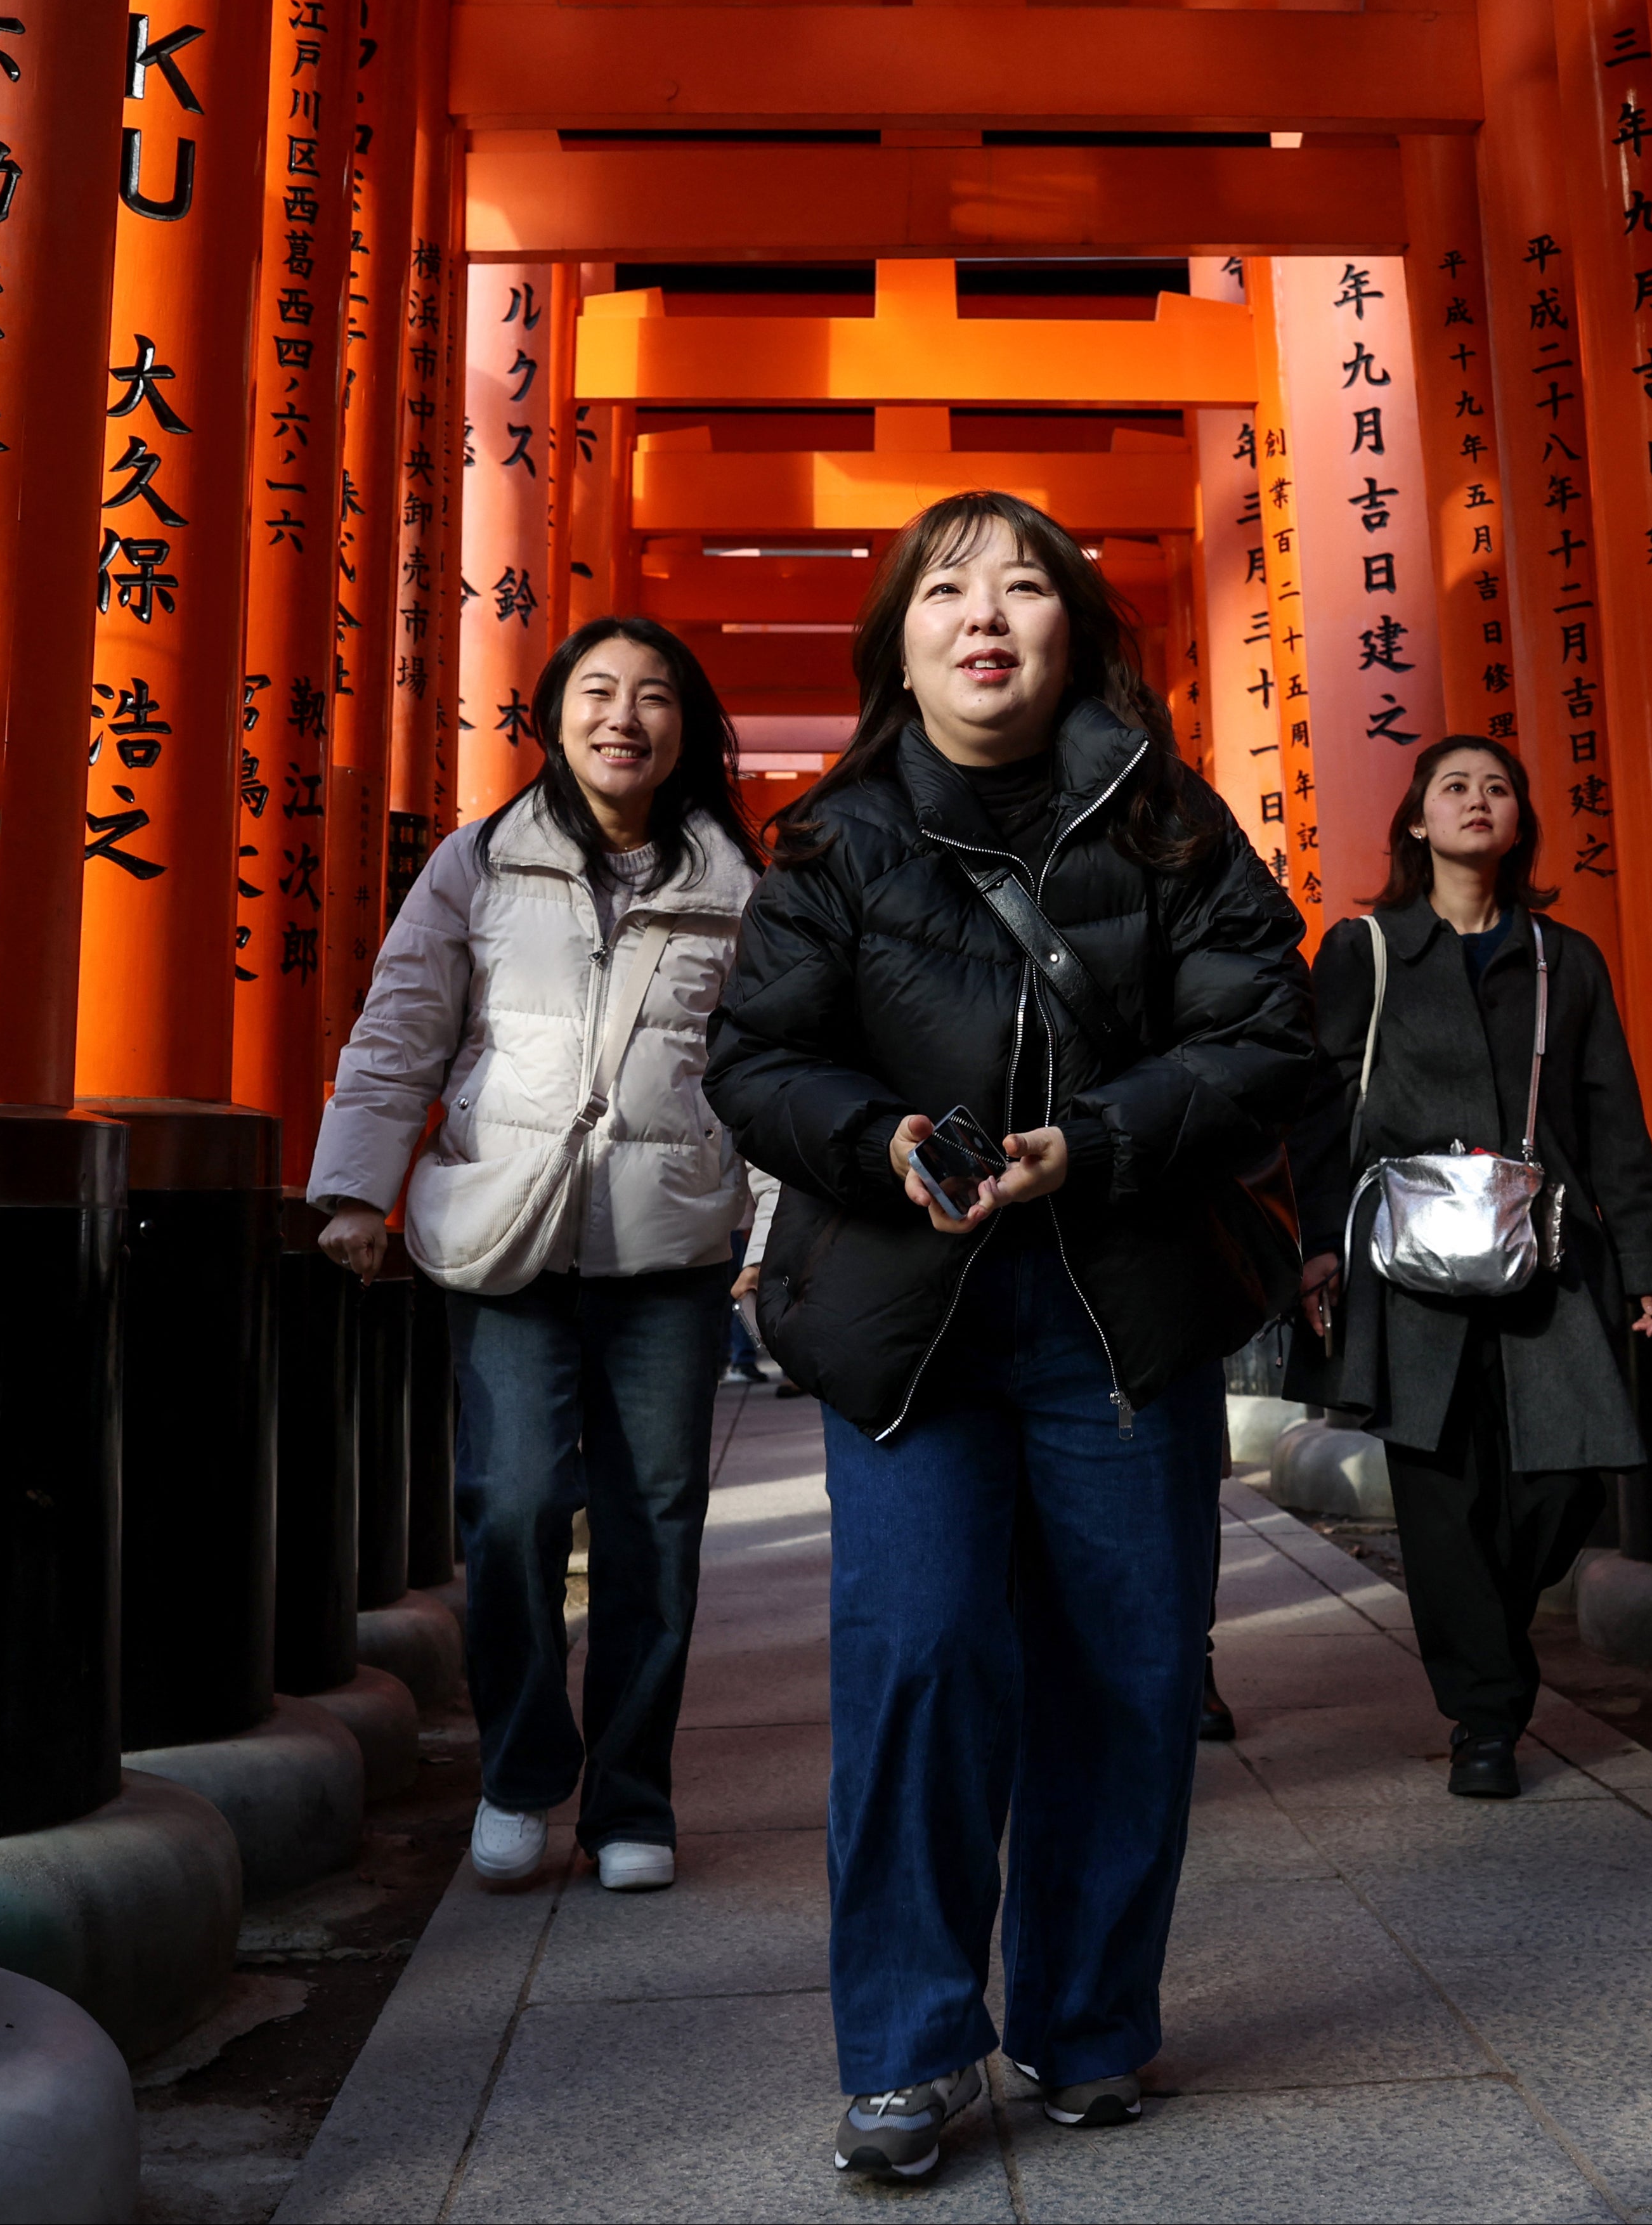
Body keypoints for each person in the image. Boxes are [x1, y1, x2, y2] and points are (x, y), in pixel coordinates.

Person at [706, 491, 1316, 2184]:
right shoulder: (830, 842)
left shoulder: (1171, 823)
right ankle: (905, 2048)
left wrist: (1101, 1139)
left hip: (1118, 1308)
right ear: (898, 642)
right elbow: (755, 1061)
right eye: (948, 589)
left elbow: (1271, 1031)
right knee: (918, 1660)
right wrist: (881, 1138)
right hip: (914, 1322)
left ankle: (1087, 2021)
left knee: (1125, 1672)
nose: (987, 614)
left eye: (1026, 586)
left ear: (1078, 634)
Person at [309, 618, 763, 1897]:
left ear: (688, 728)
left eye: (655, 696)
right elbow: (405, 1018)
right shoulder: (480, 863)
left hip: (665, 1244)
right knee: (510, 1508)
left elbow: (771, 1061)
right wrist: (354, 1186)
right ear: (554, 716)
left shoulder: (736, 881)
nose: (625, 717)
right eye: (598, 693)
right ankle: (518, 1768)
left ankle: (631, 1797)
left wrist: (770, 1230)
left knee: (652, 1526)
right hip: (502, 1234)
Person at [1289, 734, 1652, 1800]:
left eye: (1497, 786)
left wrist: (1643, 1250)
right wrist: (1319, 1244)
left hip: (1544, 1251)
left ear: (1518, 824)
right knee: (1442, 1494)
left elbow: (1611, 1113)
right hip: (1411, 1266)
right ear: (1418, 820)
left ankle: (1485, 1639)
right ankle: (1486, 1720)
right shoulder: (1365, 950)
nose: (1476, 799)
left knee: (1564, 1485)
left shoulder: (1564, 958)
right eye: (1453, 786)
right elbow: (1319, 1113)